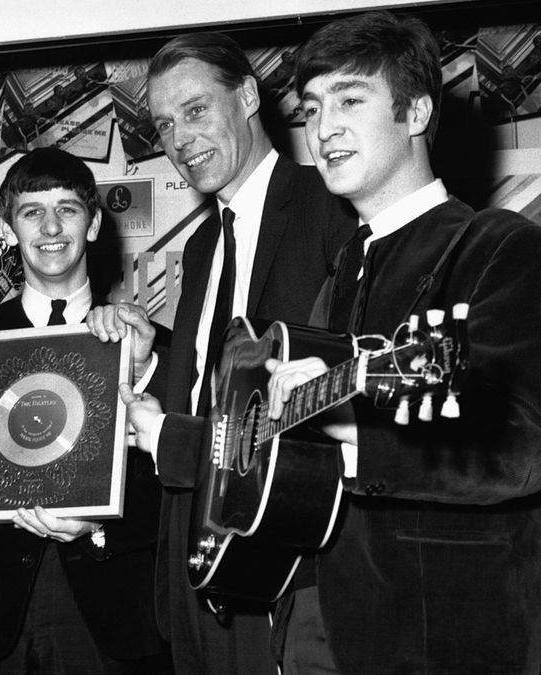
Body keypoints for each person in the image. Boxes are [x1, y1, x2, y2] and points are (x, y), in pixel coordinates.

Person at [264, 10, 541, 673]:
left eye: (351, 99)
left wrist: (352, 427)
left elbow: (521, 448)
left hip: (437, 646)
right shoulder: (340, 274)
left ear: (416, 112)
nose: (323, 129)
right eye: (312, 109)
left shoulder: (505, 248)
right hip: (315, 635)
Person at [88, 32, 355, 673]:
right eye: (163, 123)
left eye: (196, 110)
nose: (179, 139)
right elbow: (211, 390)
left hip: (285, 571)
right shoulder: (207, 242)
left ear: (248, 96)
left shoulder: (330, 206)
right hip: (196, 567)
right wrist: (152, 369)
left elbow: (345, 384)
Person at [0, 147, 168, 674]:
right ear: (9, 226)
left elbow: (179, 488)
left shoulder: (151, 346)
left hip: (110, 615)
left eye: (67, 209)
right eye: (31, 211)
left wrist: (97, 523)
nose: (50, 227)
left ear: (92, 225)